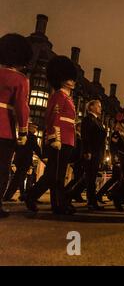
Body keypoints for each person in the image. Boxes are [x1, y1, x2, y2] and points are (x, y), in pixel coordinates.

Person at [26, 56, 78, 215]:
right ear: (62, 80)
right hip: (60, 139)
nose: (73, 81)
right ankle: (56, 204)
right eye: (70, 78)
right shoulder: (59, 96)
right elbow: (52, 117)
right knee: (56, 175)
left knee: (54, 175)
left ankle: (35, 197)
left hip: (67, 138)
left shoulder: (67, 98)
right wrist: (54, 138)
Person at [0, 33, 32, 218]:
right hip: (4, 128)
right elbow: (21, 108)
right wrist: (23, 131)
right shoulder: (21, 79)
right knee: (2, 168)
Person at [3, 122, 42, 201]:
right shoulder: (32, 137)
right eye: (34, 127)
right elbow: (36, 148)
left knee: (19, 178)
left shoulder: (21, 136)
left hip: (19, 160)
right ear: (30, 127)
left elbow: (16, 147)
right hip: (25, 161)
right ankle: (9, 197)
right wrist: (43, 157)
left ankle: (20, 195)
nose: (35, 130)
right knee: (19, 179)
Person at [107, 114, 124, 211]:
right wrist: (115, 159)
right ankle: (115, 196)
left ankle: (116, 195)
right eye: (123, 123)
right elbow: (113, 147)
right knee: (119, 179)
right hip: (119, 158)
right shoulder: (116, 134)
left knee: (123, 179)